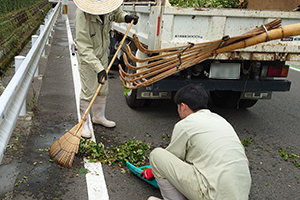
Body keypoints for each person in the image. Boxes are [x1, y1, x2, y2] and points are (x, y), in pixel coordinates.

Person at [141, 84, 251, 200]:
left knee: (156, 155)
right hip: (241, 193)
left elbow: (174, 157)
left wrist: (154, 169)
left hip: (212, 195)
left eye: (177, 107)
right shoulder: (220, 120)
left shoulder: (185, 124)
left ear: (183, 106)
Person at [74, 0, 138, 138]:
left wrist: (126, 17)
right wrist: (98, 69)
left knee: (102, 88)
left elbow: (117, 13)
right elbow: (84, 47)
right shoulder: (82, 15)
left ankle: (98, 117)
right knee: (89, 89)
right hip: (88, 58)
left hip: (103, 54)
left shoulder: (108, 8)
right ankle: (84, 122)